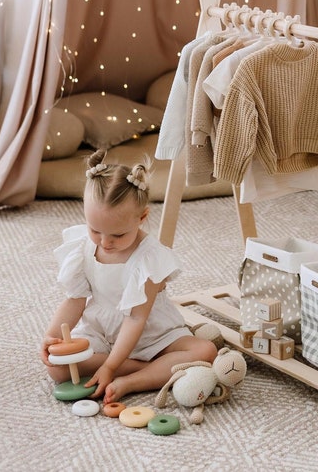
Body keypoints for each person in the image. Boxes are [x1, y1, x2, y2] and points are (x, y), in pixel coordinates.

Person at [41, 149, 217, 404]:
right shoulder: (83, 248)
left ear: (141, 217)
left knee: (205, 351)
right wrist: (52, 337)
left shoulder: (149, 258)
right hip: (101, 331)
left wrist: (110, 367)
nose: (105, 242)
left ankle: (132, 380)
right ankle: (150, 369)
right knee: (57, 368)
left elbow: (136, 318)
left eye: (118, 235)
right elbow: (74, 300)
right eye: (95, 230)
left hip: (150, 334)